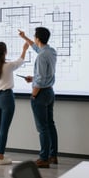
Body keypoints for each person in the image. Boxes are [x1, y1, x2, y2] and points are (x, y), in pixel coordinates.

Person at [19, 27, 58, 168]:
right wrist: (24, 38)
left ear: (38, 38)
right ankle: (53, 156)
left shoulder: (41, 56)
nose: (34, 38)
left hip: (40, 94)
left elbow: (41, 79)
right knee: (50, 125)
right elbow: (37, 49)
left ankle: (44, 158)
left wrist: (33, 94)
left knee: (42, 128)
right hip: (50, 92)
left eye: (34, 36)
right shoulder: (50, 51)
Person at [0, 41, 29, 165]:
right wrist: (24, 49)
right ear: (5, 52)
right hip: (7, 98)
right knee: (4, 129)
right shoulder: (9, 65)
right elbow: (20, 61)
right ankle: (1, 157)